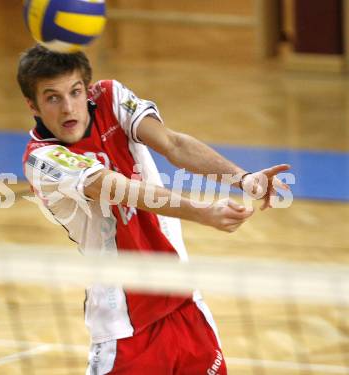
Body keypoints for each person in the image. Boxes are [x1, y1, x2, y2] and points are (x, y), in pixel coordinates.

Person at [18, 45, 290, 375]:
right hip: (124, 329)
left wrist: (243, 178)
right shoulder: (42, 160)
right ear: (32, 105)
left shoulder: (110, 97)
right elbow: (121, 190)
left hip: (184, 303)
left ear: (87, 89)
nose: (68, 108)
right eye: (52, 98)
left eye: (75, 92)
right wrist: (202, 212)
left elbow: (172, 144)